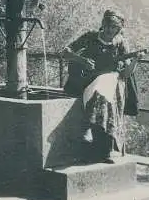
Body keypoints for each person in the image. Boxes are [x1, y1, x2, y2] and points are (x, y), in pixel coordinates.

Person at [61, 9, 142, 164]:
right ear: (103, 24)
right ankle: (95, 143)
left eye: (114, 28)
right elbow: (65, 52)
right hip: (87, 78)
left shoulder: (121, 44)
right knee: (99, 92)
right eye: (108, 26)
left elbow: (125, 74)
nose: (110, 30)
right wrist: (81, 60)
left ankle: (102, 147)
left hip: (112, 79)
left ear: (119, 29)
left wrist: (135, 60)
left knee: (103, 94)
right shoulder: (90, 37)